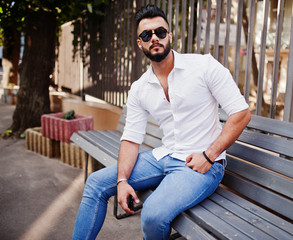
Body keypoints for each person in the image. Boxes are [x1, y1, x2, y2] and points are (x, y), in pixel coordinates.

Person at [72, 4, 251, 240]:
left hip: (201, 164)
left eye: (160, 32)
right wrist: (123, 180)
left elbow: (241, 113)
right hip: (164, 156)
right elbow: (131, 138)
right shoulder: (139, 88)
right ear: (140, 43)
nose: (154, 38)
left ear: (170, 35)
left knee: (153, 214)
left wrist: (209, 155)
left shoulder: (204, 66)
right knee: (95, 183)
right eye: (147, 35)